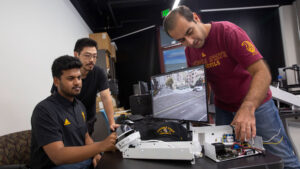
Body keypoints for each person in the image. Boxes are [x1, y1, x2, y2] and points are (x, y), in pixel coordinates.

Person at [163, 5, 300, 169]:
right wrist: (202, 110)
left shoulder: (228, 32)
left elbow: (262, 72)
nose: (190, 42)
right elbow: (204, 81)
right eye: (182, 40)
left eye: (189, 32)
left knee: (283, 160)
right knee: (230, 159)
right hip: (225, 110)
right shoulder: (189, 52)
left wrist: (248, 108)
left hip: (257, 106)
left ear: (196, 18)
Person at [31, 55, 117, 169]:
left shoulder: (79, 106)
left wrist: (95, 154)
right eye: (71, 78)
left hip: (81, 163)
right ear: (56, 81)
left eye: (79, 77)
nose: (77, 83)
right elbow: (58, 156)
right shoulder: (44, 110)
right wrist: (100, 146)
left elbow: (86, 137)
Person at [51, 38, 118, 135]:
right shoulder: (66, 71)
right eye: (87, 56)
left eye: (95, 56)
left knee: (87, 145)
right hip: (67, 120)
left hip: (87, 119)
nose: (91, 60)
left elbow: (106, 97)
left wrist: (112, 123)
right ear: (76, 54)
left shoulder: (99, 72)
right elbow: (55, 98)